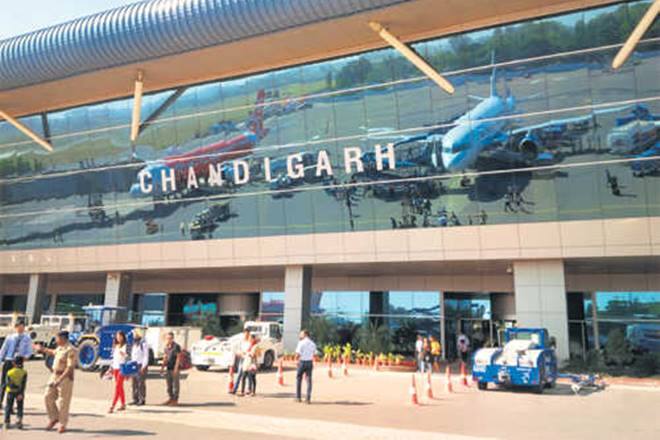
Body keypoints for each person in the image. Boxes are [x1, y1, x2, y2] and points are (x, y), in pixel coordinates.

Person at [35, 331, 76, 434]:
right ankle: (54, 418)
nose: (56, 340)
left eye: (57, 338)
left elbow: (69, 368)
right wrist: (42, 349)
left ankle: (62, 423)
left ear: (63, 338)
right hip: (54, 375)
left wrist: (59, 380)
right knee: (47, 396)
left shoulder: (70, 349)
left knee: (63, 401)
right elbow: (53, 352)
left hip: (65, 377)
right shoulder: (60, 348)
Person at [0, 320, 32, 409]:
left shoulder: (27, 338)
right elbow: (3, 350)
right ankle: (0, 402)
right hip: (9, 360)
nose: (21, 329)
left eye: (22, 327)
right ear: (16, 327)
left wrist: (25, 357)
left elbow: (29, 351)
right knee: (4, 383)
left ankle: (11, 406)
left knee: (17, 384)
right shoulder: (10, 337)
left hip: (18, 362)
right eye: (19, 327)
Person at [3, 356, 26, 430]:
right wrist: (21, 392)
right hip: (19, 392)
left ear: (13, 363)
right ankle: (19, 421)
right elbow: (23, 384)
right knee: (20, 407)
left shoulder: (9, 372)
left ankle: (7, 422)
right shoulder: (24, 372)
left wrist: (12, 386)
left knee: (8, 407)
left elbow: (7, 383)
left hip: (10, 391)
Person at [295, 329, 316, 404]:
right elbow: (314, 353)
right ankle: (308, 398)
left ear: (305, 334)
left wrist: (296, 360)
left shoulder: (301, 343)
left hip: (302, 362)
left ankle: (298, 397)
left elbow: (298, 353)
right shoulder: (313, 343)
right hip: (309, 362)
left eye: (301, 334)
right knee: (309, 380)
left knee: (298, 378)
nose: (300, 335)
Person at [109, 331, 128, 413]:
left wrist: (123, 354)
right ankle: (123, 404)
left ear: (123, 337)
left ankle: (112, 405)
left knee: (117, 387)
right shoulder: (116, 346)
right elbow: (114, 358)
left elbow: (127, 356)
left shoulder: (125, 346)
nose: (119, 338)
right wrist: (111, 368)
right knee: (120, 387)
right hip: (115, 368)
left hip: (122, 368)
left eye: (120, 336)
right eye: (117, 336)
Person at [160, 332, 181, 406]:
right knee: (169, 385)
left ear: (173, 338)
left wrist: (176, 368)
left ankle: (175, 400)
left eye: (170, 338)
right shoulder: (166, 347)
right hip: (168, 368)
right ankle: (170, 398)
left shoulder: (176, 346)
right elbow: (165, 358)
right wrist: (162, 368)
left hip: (175, 368)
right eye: (167, 338)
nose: (169, 339)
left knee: (175, 385)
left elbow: (178, 358)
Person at [131, 328, 149, 406]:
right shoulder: (134, 343)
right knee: (134, 383)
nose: (134, 335)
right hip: (134, 365)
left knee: (141, 383)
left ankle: (142, 399)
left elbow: (146, 356)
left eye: (135, 334)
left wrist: (144, 366)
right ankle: (135, 399)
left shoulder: (143, 343)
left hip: (140, 365)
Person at [231, 330, 252, 395]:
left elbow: (252, 351)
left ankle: (249, 389)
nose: (246, 335)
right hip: (242, 359)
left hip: (248, 360)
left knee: (249, 375)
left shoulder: (250, 342)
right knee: (239, 374)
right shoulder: (241, 342)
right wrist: (240, 353)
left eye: (247, 334)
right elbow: (238, 350)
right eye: (245, 334)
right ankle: (235, 389)